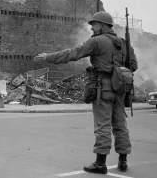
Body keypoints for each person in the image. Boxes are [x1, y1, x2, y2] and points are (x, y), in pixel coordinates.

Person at [34, 11, 138, 174]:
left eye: (94, 25)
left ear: (103, 25)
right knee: (120, 126)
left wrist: (48, 57)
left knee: (102, 125)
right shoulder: (125, 43)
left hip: (103, 87)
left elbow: (73, 53)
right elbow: (134, 66)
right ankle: (123, 162)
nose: (91, 28)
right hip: (120, 89)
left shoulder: (96, 41)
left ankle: (100, 163)